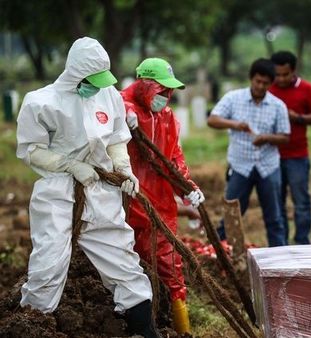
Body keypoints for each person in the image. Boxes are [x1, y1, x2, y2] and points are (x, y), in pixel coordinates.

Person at [16, 37, 161, 338]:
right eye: (92, 80)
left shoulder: (107, 94)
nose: (98, 86)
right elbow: (31, 150)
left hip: (99, 187)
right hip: (57, 191)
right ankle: (33, 325)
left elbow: (117, 137)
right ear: (75, 74)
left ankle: (143, 327)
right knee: (49, 262)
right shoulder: (41, 102)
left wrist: (123, 168)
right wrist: (70, 165)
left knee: (121, 255)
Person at [121, 58, 204, 335]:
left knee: (170, 267)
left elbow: (174, 160)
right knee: (124, 268)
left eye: (170, 92)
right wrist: (120, 123)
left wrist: (188, 188)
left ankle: (182, 329)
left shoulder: (166, 116)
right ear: (145, 85)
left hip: (161, 206)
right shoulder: (120, 106)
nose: (167, 97)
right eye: (162, 91)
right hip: (124, 203)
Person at [207, 58, 290, 247]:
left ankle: (279, 257)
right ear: (251, 78)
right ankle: (219, 253)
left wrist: (266, 138)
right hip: (240, 166)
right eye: (257, 81)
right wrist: (235, 124)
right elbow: (212, 120)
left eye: (265, 83)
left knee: (274, 217)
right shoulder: (233, 98)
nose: (260, 86)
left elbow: (285, 137)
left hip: (268, 167)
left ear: (271, 83)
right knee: (231, 214)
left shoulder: (278, 106)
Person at [269, 51, 311, 245]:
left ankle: (302, 242)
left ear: (294, 71)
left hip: (298, 155)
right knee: (278, 202)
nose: (281, 79)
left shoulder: (307, 89)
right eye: (278, 75)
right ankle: (281, 244)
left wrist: (297, 118)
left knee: (301, 202)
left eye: (285, 74)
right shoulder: (269, 89)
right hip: (273, 156)